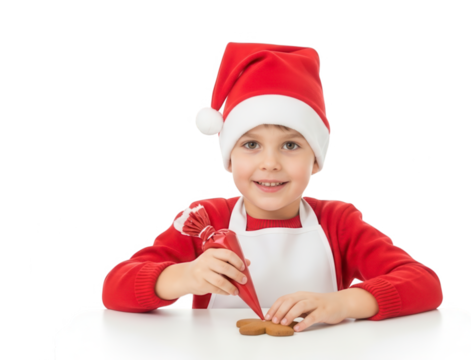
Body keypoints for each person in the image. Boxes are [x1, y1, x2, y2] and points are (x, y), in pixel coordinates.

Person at [101, 41, 443, 333]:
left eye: (290, 146)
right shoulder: (204, 218)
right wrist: (185, 276)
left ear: (316, 159)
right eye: (251, 145)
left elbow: (424, 285)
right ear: (229, 158)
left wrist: (343, 302)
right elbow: (115, 288)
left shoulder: (339, 222)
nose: (270, 163)